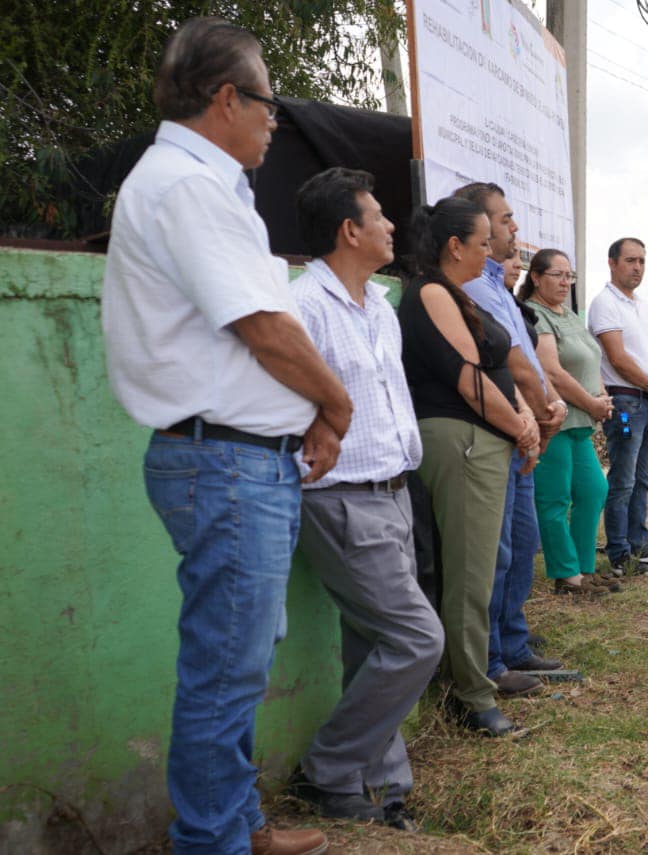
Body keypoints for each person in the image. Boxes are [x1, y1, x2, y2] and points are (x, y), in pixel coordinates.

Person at [101, 18, 346, 855]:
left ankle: (234, 820)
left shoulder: (204, 184)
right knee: (223, 668)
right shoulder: (185, 187)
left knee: (236, 661)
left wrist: (310, 412)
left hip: (237, 459)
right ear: (227, 98)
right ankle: (211, 841)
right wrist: (335, 404)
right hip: (223, 461)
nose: (277, 121)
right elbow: (266, 328)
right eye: (270, 103)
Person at [283, 168, 443, 832]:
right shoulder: (303, 307)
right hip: (343, 497)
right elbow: (289, 407)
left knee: (371, 640)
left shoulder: (380, 304)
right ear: (349, 230)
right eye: (378, 216)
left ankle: (374, 783)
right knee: (417, 637)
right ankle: (325, 769)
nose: (390, 226)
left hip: (393, 491)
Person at [399, 196, 540, 739]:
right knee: (471, 575)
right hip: (462, 442)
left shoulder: (452, 293)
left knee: (474, 570)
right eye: (482, 243)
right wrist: (521, 425)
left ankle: (469, 680)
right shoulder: (433, 291)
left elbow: (492, 373)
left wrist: (523, 415)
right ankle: (472, 696)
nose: (489, 252)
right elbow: (470, 378)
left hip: (479, 442)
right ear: (454, 245)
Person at [453, 181, 565, 698]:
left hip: (523, 430)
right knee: (498, 551)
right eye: (504, 219)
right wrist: (536, 413)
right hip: (500, 434)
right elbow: (507, 366)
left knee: (523, 541)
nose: (513, 227)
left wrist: (546, 407)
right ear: (476, 228)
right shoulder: (473, 287)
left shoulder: (496, 285)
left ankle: (513, 645)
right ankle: (493, 659)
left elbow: (524, 358)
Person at [518, 249, 618, 594]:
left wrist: (601, 398)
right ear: (535, 277)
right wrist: (591, 402)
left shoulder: (570, 315)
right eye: (556, 275)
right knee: (555, 498)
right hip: (554, 419)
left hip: (581, 421)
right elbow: (552, 372)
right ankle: (566, 575)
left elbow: (590, 359)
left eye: (568, 276)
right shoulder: (534, 314)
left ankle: (584, 568)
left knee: (593, 489)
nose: (565, 282)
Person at [588, 237, 648, 575]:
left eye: (641, 260)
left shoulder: (641, 305)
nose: (637, 267)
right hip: (626, 400)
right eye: (630, 260)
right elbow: (617, 357)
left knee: (642, 479)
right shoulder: (604, 303)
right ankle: (619, 553)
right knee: (623, 480)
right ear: (612, 263)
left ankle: (639, 544)